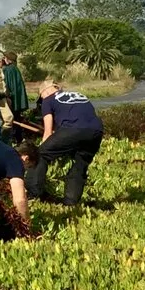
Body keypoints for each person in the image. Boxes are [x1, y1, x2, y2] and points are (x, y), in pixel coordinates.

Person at [31, 78, 103, 207]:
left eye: (41, 97)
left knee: (41, 154)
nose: (41, 101)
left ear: (45, 92)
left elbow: (48, 131)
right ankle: (70, 202)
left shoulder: (48, 100)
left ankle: (34, 193)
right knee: (80, 163)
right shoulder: (80, 95)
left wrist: (43, 147)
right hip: (96, 131)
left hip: (72, 129)